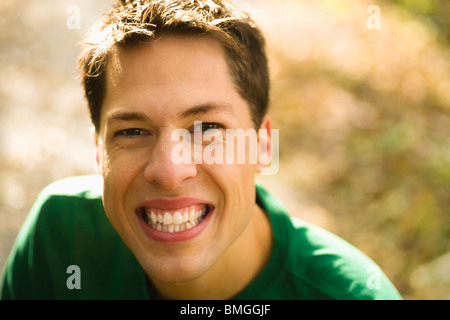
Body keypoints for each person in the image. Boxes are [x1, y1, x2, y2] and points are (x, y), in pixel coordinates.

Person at [1, 0, 401, 300]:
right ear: (98, 148)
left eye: (208, 128)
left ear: (262, 145)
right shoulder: (60, 238)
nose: (169, 171)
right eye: (133, 131)